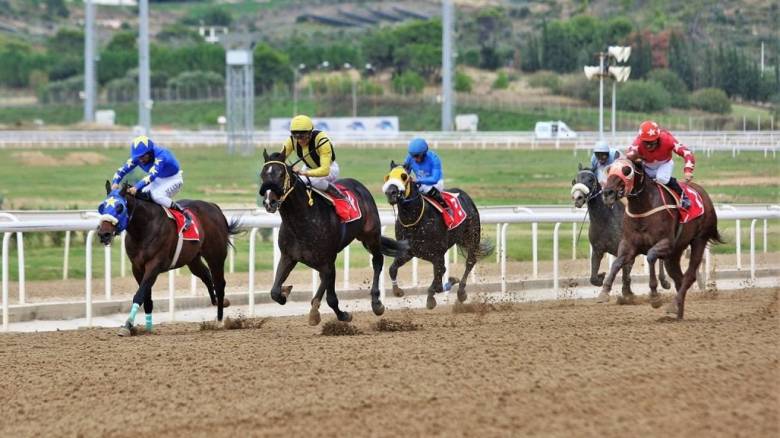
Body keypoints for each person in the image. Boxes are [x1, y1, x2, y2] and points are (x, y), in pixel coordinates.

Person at [111, 135, 192, 230]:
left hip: (173, 179)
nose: (140, 160)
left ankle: (184, 213)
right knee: (141, 195)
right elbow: (122, 170)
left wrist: (136, 187)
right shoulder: (139, 157)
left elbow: (152, 175)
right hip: (158, 179)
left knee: (157, 196)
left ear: (150, 152)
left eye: (142, 157)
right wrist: (115, 182)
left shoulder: (161, 155)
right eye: (138, 157)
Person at [626, 120, 695, 209]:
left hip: (665, 164)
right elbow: (627, 158)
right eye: (645, 142)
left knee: (661, 178)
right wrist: (633, 158)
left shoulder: (667, 139)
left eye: (651, 142)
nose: (648, 146)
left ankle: (683, 197)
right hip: (646, 165)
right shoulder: (637, 144)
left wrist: (688, 171)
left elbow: (687, 153)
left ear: (658, 138)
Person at [281, 115, 346, 201]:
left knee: (313, 181)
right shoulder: (291, 140)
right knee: (295, 182)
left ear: (310, 132)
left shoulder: (322, 141)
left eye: (303, 136)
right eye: (296, 136)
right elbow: (280, 158)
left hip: (330, 169)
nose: (300, 140)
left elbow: (325, 171)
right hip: (308, 168)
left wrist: (303, 172)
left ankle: (336, 192)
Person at [403, 137, 452, 215]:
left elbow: (435, 179)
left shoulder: (434, 159)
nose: (414, 159)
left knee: (425, 187)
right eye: (413, 156)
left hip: (436, 183)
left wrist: (418, 180)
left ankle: (446, 207)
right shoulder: (410, 158)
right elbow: (405, 172)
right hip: (420, 183)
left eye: (417, 156)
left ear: (424, 153)